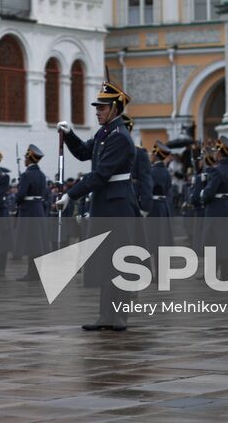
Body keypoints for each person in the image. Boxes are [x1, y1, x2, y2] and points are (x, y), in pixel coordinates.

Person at [55, 80, 140, 331]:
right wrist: (69, 133)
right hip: (105, 204)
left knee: (119, 262)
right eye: (97, 106)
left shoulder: (120, 138)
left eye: (102, 107)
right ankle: (105, 316)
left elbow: (101, 174)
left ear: (115, 109)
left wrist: (71, 195)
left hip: (118, 206)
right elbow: (83, 152)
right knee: (105, 261)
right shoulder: (104, 134)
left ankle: (120, 316)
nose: (97, 110)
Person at [201, 135, 228, 281]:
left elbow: (208, 193)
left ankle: (211, 274)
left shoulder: (216, 170)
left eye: (217, 150)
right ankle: (227, 274)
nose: (215, 153)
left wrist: (202, 192)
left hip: (216, 209)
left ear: (221, 152)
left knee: (213, 242)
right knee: (226, 243)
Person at [13, 144, 48, 280]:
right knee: (37, 241)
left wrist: (18, 198)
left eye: (26, 157)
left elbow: (20, 195)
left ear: (30, 158)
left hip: (28, 210)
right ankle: (36, 272)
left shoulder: (26, 175)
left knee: (30, 241)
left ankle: (32, 273)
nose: (24, 160)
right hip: (38, 208)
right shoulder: (42, 175)